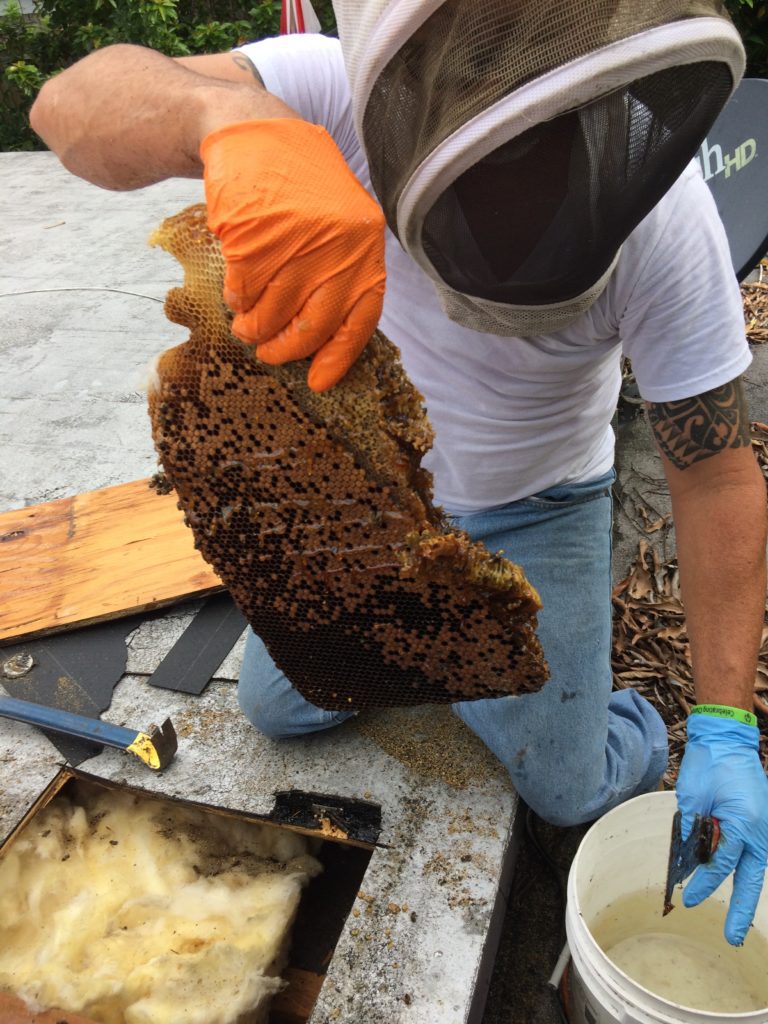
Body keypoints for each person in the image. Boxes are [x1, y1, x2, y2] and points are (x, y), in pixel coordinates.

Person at [29, 2, 768, 947]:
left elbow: (714, 476)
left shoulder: (667, 224)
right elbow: (66, 107)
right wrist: (227, 123)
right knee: (277, 706)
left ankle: (603, 715)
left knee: (565, 788)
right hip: (363, 502)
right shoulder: (323, 94)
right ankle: (488, 664)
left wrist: (722, 722)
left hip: (542, 503)